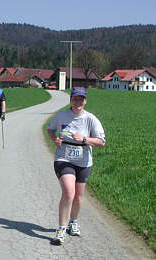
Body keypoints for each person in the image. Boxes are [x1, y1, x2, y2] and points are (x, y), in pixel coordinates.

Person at [47, 87, 105, 245]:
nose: (78, 102)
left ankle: (73, 221)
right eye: (75, 99)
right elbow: (50, 129)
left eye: (81, 99)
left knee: (78, 197)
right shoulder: (62, 116)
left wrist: (84, 139)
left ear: (85, 101)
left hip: (84, 162)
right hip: (63, 159)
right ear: (70, 100)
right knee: (68, 192)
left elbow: (101, 142)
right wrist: (55, 140)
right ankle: (61, 229)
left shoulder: (91, 119)